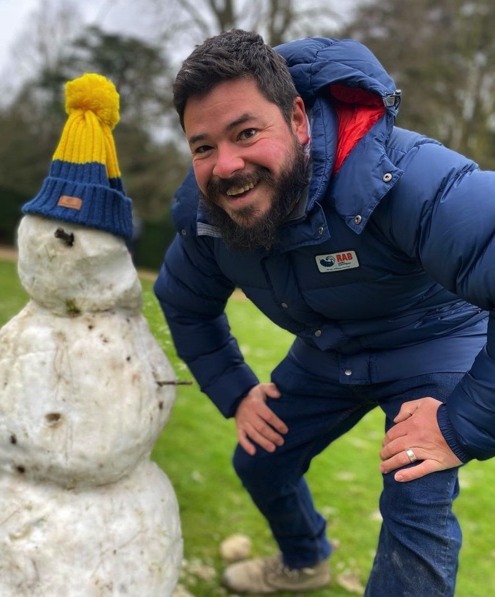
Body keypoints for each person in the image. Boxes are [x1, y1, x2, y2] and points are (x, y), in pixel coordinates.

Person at [154, 29, 495, 596]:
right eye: (203, 146)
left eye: (246, 133)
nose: (227, 165)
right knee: (259, 459)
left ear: (297, 118)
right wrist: (235, 389)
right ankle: (306, 559)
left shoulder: (404, 174)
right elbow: (182, 301)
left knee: (416, 492)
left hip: (432, 338)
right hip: (328, 351)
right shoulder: (208, 216)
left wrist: (459, 427)